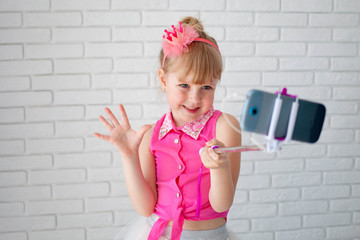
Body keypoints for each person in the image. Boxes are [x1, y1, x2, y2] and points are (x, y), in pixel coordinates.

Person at [94, 16, 241, 240]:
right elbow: (145, 208)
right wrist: (128, 156)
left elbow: (222, 204)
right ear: (164, 80)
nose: (194, 98)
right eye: (184, 85)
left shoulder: (225, 127)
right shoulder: (150, 136)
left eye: (206, 87)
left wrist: (219, 167)